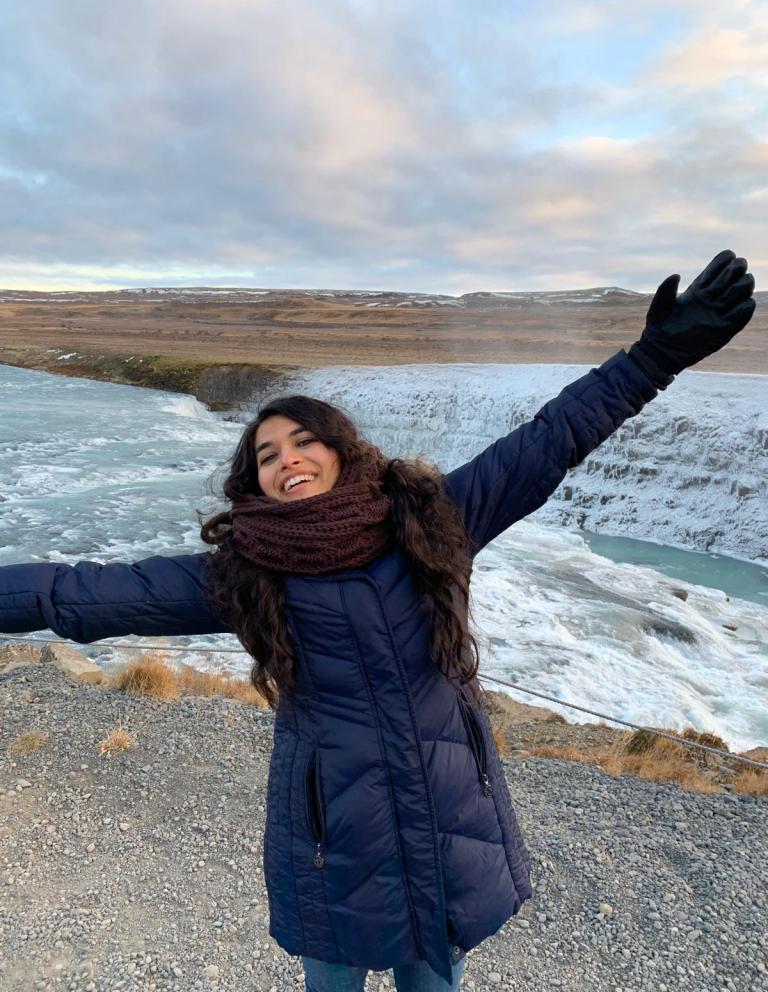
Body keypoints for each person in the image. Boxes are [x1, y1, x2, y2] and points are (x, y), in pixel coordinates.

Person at [0, 251, 756, 992]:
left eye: (304, 440)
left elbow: (553, 437)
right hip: (333, 840)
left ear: (340, 448)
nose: (288, 459)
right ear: (253, 480)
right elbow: (80, 594)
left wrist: (655, 356)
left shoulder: (437, 517)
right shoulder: (244, 570)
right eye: (267, 455)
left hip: (449, 821)